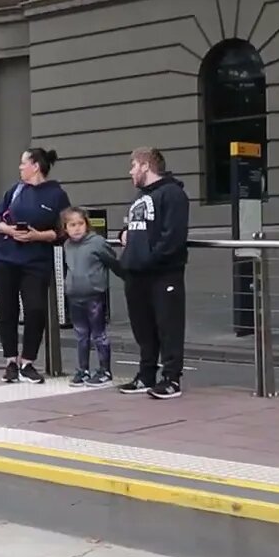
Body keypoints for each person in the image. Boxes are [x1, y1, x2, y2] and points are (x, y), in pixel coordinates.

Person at [0, 147, 71, 384]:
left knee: (35, 309)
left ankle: (28, 362)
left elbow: (64, 230)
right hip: (5, 258)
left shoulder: (57, 195)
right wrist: (8, 229)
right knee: (7, 310)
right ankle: (10, 361)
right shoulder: (15, 190)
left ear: (35, 165)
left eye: (23, 163)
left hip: (36, 262)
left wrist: (38, 236)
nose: (20, 167)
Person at [117, 147, 190, 400]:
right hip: (136, 273)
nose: (131, 171)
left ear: (146, 165)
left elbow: (173, 236)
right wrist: (123, 235)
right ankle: (146, 374)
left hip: (162, 273)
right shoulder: (140, 196)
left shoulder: (172, 194)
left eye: (133, 165)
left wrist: (150, 258)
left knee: (168, 325)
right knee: (143, 328)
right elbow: (133, 227)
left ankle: (171, 379)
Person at [61, 206, 122, 387]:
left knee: (98, 333)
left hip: (94, 294)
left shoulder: (97, 242)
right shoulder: (67, 245)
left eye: (80, 224)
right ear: (65, 228)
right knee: (81, 334)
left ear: (86, 225)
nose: (77, 228)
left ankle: (105, 370)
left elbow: (112, 261)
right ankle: (83, 369)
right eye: (72, 225)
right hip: (74, 295)